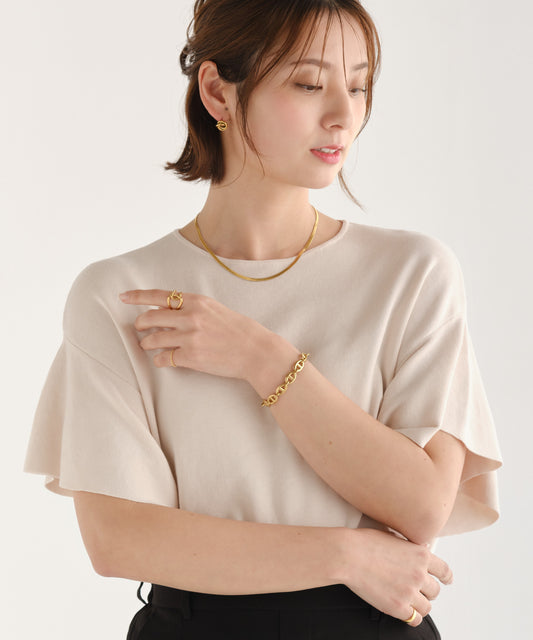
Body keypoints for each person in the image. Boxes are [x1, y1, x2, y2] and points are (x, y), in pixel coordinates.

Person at [24, 1, 503, 638]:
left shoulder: (413, 274)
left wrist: (263, 359)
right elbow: (118, 539)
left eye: (359, 86)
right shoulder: (119, 295)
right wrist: (345, 554)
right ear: (218, 92)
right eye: (308, 84)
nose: (344, 114)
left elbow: (421, 507)